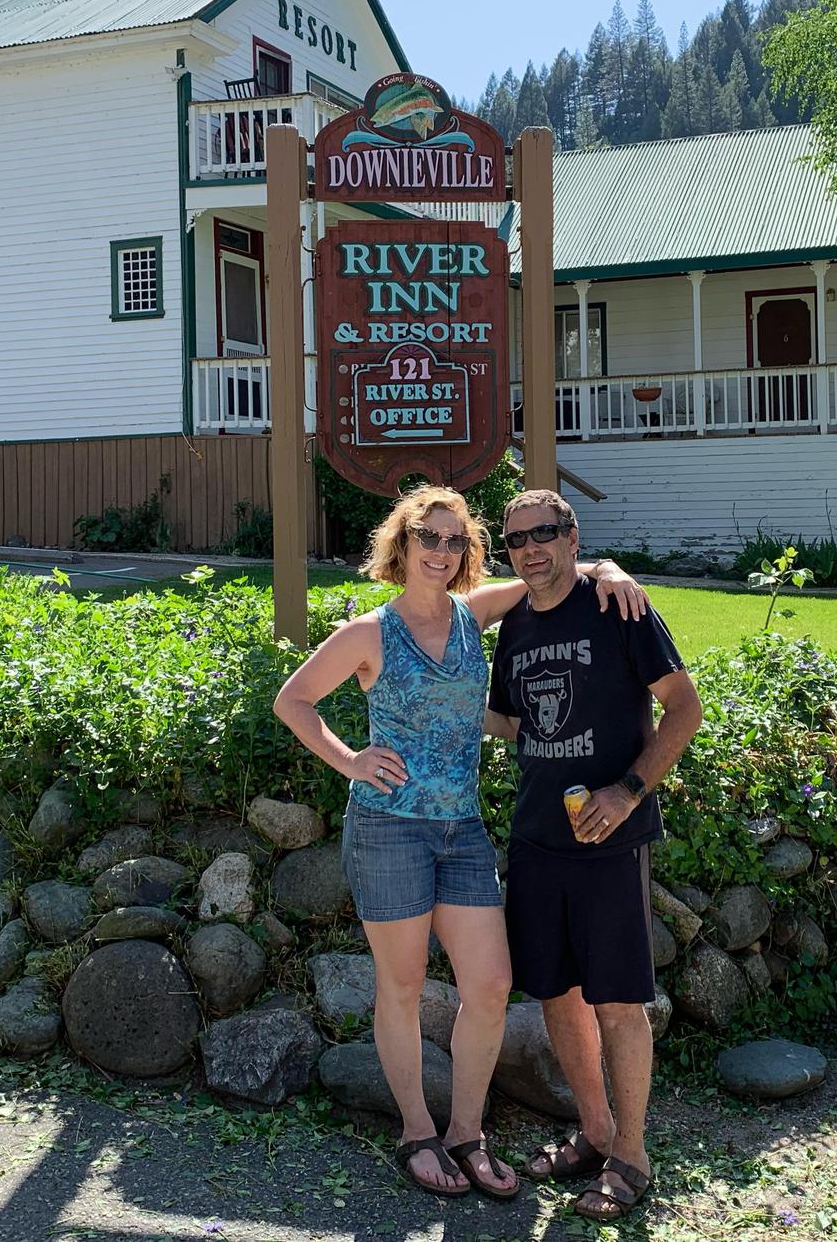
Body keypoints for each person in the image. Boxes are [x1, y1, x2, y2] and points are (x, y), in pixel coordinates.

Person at [271, 484, 646, 1201]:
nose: (440, 553)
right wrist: (351, 759)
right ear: (402, 546)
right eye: (427, 539)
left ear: (465, 552)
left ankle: (465, 1133)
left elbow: (556, 571)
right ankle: (417, 1130)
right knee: (404, 985)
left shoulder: (476, 616)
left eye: (454, 541)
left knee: (492, 985)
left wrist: (609, 570)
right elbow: (292, 699)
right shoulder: (369, 633)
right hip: (389, 828)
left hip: (461, 830)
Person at [484, 488, 703, 1222]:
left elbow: (685, 707)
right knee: (554, 991)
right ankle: (595, 1130)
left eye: (545, 533)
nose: (531, 548)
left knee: (617, 1000)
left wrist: (628, 791)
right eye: (517, 540)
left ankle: (632, 1156)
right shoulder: (512, 625)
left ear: (573, 537)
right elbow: (519, 726)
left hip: (611, 839)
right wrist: (436, 700)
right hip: (538, 836)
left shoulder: (618, 607)